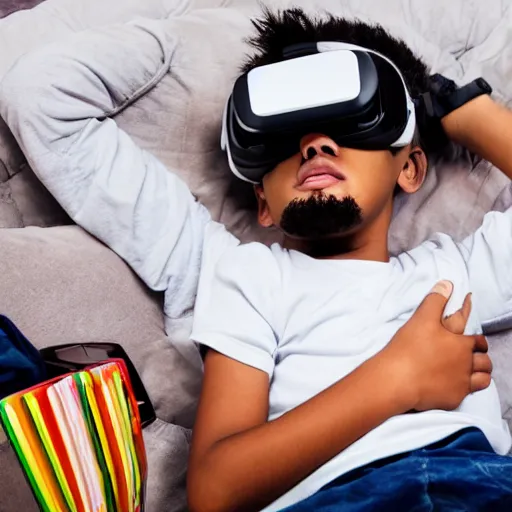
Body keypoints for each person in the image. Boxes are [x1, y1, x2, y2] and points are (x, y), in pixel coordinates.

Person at [0, 7, 510, 512]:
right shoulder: (237, 273)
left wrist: (466, 112)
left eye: (347, 124)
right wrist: (396, 379)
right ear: (262, 202)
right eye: (285, 140)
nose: (314, 145)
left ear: (411, 168)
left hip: (485, 483)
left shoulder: (452, 271)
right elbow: (215, 491)